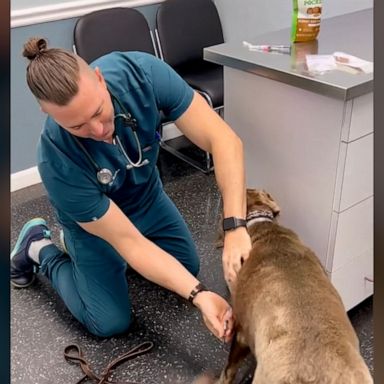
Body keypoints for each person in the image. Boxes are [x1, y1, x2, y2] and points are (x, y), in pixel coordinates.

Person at [11, 37, 252, 340]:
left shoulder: (141, 74)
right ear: (52, 117)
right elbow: (131, 243)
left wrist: (234, 226)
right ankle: (40, 249)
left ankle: (104, 264)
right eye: (78, 127)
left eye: (99, 111)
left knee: (186, 266)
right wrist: (200, 296)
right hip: (94, 226)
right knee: (109, 322)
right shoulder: (56, 160)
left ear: (99, 78)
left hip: (145, 197)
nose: (98, 130)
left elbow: (224, 141)